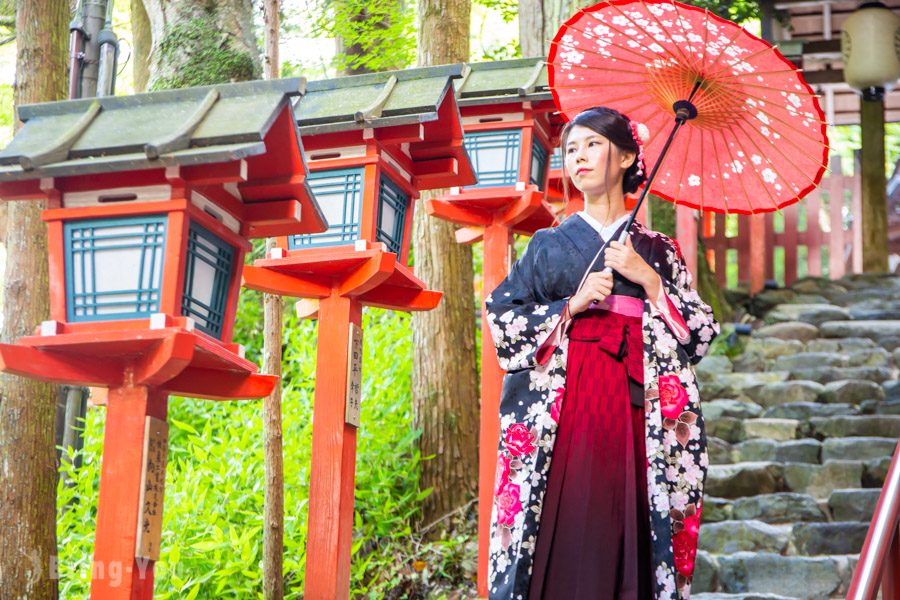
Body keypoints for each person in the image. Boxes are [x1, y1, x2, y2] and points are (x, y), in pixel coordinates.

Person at [485, 106, 720, 600]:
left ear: (627, 156)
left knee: (631, 519)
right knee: (569, 524)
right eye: (571, 149)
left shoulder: (657, 249)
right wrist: (571, 304)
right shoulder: (548, 245)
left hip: (640, 406)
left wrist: (648, 277)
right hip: (569, 406)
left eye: (592, 144)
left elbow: (699, 334)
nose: (579, 157)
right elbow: (502, 317)